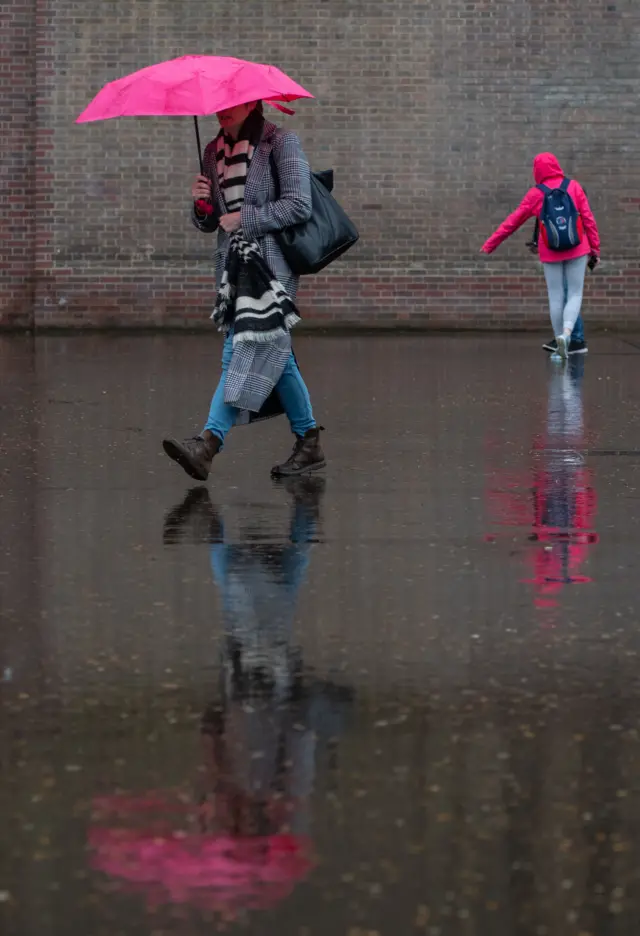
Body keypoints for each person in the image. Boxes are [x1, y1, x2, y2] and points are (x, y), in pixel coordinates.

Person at [163, 100, 325, 482]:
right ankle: (309, 441)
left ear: (252, 103)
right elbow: (211, 223)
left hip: (270, 268)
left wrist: (247, 218)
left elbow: (299, 205)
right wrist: (201, 205)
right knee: (275, 354)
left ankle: (207, 444)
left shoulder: (281, 142)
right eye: (217, 105)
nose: (222, 110)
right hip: (233, 270)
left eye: (232, 104)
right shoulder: (211, 151)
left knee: (243, 347)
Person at [481, 153, 600, 360]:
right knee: (574, 293)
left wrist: (490, 243)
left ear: (537, 171)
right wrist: (595, 248)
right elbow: (588, 218)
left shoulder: (536, 194)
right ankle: (567, 334)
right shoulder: (574, 187)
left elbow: (513, 221)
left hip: (550, 251)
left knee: (555, 296)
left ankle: (558, 339)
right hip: (578, 248)